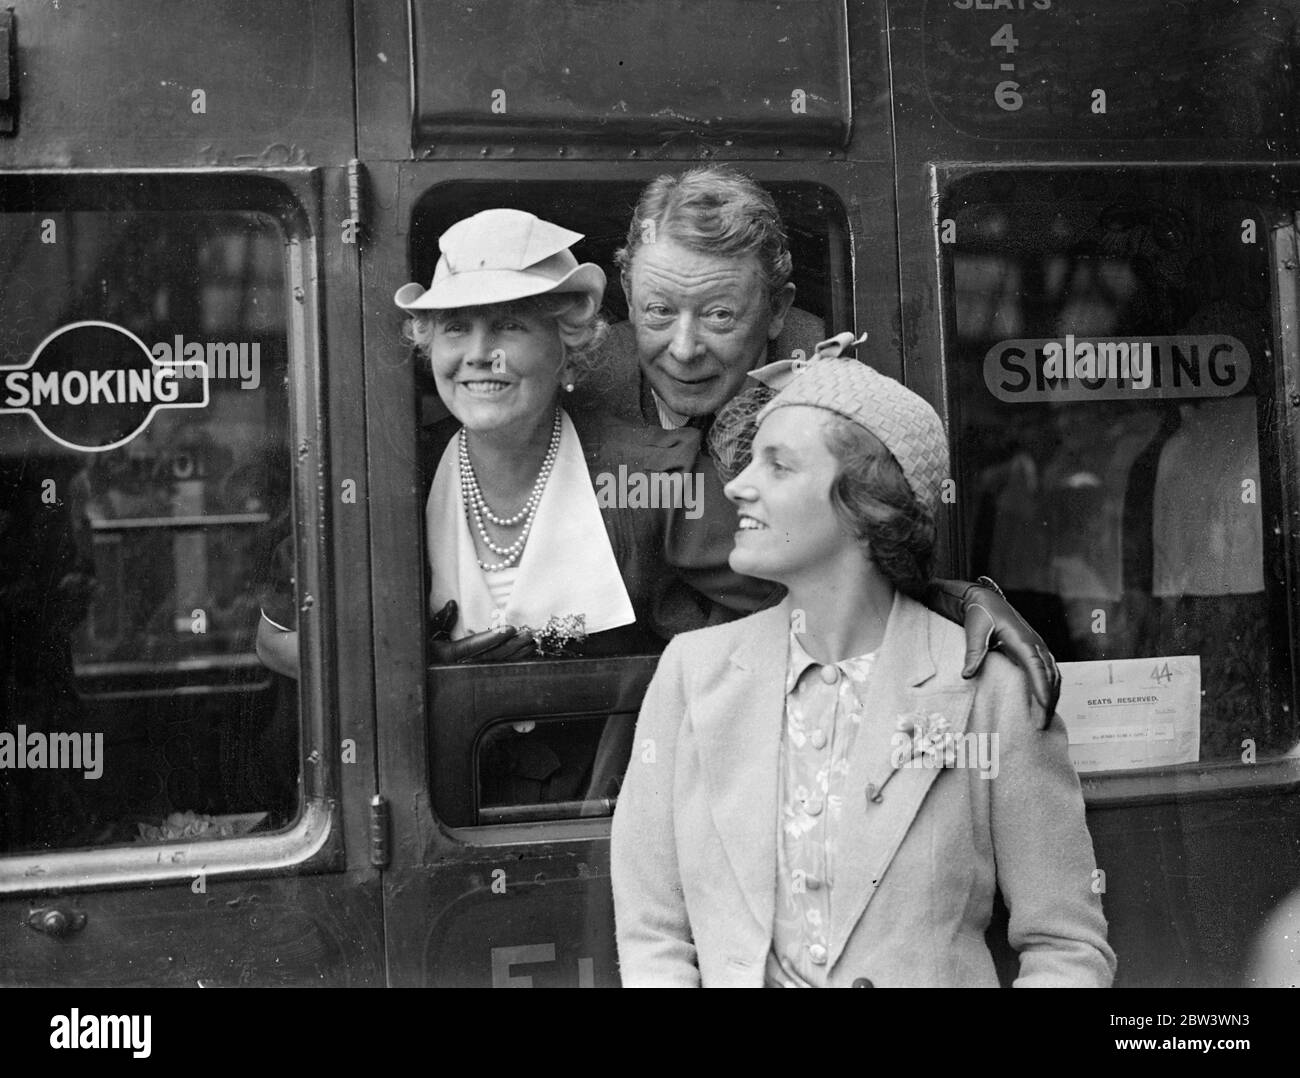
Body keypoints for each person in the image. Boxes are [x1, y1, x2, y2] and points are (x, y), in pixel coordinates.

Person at [611, 353, 1116, 987]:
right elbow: (653, 933)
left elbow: (1065, 946)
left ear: (863, 503)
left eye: (779, 465)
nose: (737, 486)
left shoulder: (991, 695)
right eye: (747, 462)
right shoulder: (692, 674)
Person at [578, 164, 1062, 714]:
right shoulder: (580, 382)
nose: (684, 349)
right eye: (659, 311)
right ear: (626, 292)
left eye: (718, 315)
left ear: (779, 309)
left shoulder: (840, 389)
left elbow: (861, 559)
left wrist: (950, 598)